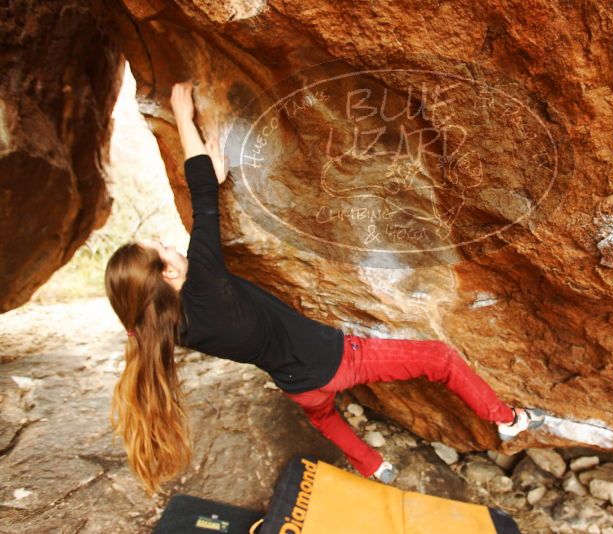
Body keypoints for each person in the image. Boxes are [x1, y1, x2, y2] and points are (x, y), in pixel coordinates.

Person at [103, 81, 545, 496]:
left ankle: (374, 466)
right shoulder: (204, 281)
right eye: (160, 247)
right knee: (440, 359)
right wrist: (183, 113)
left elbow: (146, 309)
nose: (168, 244)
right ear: (165, 275)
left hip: (295, 383)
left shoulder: (165, 327)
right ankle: (506, 419)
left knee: (326, 417)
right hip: (338, 361)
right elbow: (201, 195)